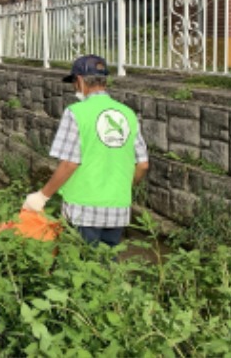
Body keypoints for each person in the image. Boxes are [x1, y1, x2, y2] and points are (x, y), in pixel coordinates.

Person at [22, 55, 149, 247]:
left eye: (74, 81)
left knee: (80, 265)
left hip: (83, 209)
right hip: (118, 208)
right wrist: (123, 187)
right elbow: (142, 164)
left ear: (80, 80)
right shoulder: (127, 114)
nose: (74, 87)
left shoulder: (76, 112)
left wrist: (41, 196)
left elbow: (70, 163)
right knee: (107, 267)